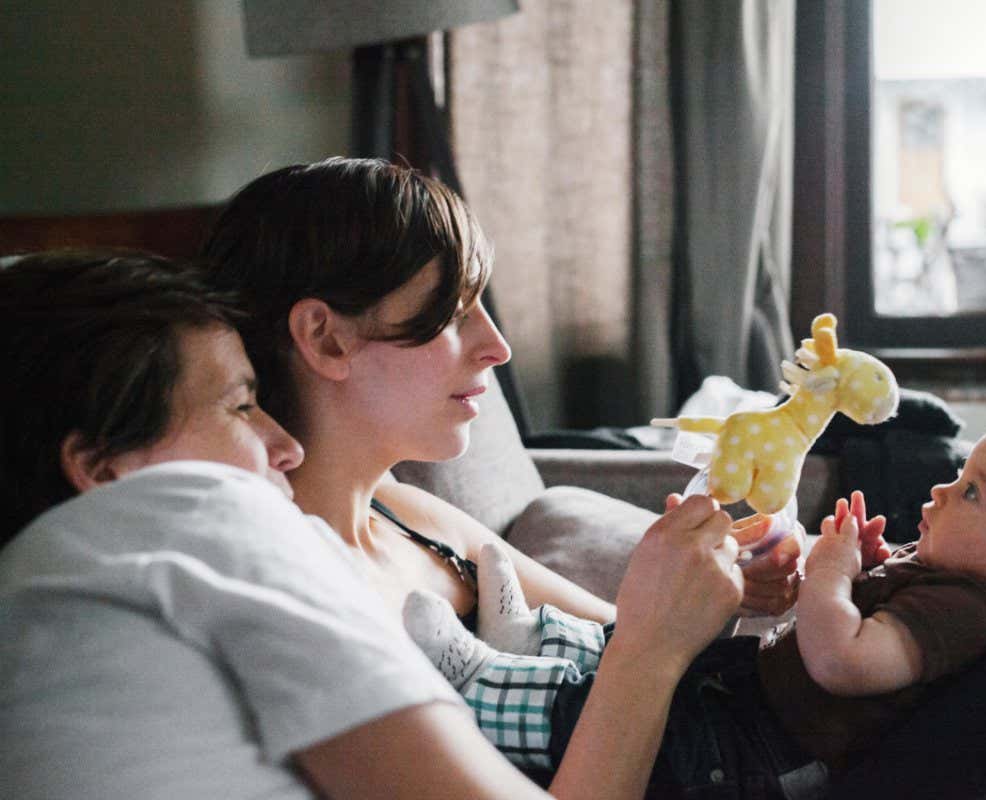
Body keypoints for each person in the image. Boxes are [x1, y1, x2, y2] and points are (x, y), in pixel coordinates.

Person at [0, 250, 743, 800]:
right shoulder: (193, 513)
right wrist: (652, 647)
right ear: (103, 471)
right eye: (237, 407)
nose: (283, 446)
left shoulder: (47, 599)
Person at [200, 158, 802, 794]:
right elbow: (642, 662)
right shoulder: (305, 600)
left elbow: (626, 651)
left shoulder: (408, 514)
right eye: (455, 314)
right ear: (326, 340)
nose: (497, 346)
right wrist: (654, 648)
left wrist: (716, 592)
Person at [402, 393, 986, 797]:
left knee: (598, 694)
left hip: (748, 758)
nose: (943, 491)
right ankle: (520, 653)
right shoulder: (959, 590)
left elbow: (843, 660)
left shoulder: (965, 606)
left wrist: (827, 574)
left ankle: (496, 672)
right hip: (750, 733)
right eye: (960, 477)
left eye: (974, 493)